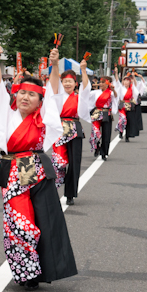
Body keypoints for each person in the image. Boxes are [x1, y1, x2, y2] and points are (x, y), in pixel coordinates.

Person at [0, 43, 77, 290]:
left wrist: (55, 65)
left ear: (40, 101)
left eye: (32, 95)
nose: (25, 97)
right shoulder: (7, 113)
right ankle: (26, 271)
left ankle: (37, 269)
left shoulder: (44, 117)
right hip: (12, 171)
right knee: (19, 224)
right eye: (22, 93)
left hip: (35, 170)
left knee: (42, 221)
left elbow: (54, 91)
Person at [45, 49, 90, 206]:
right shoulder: (57, 96)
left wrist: (83, 70)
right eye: (65, 81)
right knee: (58, 161)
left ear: (75, 83)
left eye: (70, 81)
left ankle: (70, 194)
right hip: (59, 129)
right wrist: (55, 64)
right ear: (62, 83)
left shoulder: (79, 97)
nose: (68, 83)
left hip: (75, 130)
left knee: (74, 163)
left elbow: (87, 87)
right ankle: (53, 191)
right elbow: (52, 84)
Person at [87, 73, 115, 159]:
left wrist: (114, 90)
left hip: (107, 114)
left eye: (103, 82)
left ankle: (104, 153)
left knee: (106, 134)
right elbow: (86, 96)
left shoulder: (111, 93)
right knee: (95, 133)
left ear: (108, 83)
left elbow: (116, 99)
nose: (101, 84)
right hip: (97, 113)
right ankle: (96, 147)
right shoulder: (95, 92)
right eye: (100, 82)